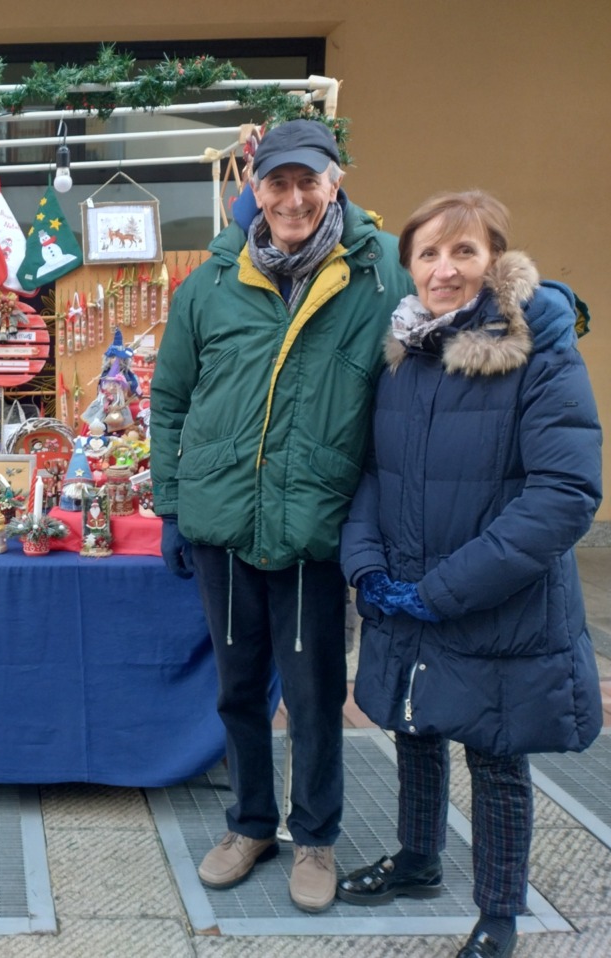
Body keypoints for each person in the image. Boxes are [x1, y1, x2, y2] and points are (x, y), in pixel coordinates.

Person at [150, 118, 412, 913]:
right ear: (253, 189)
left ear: (336, 183)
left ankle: (318, 838)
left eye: (309, 180)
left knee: (313, 691)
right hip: (224, 524)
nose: (293, 197)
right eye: (278, 181)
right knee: (237, 689)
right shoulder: (211, 283)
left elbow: (451, 316)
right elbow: (169, 400)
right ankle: (251, 823)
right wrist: (172, 504)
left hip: (314, 529)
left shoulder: (382, 273)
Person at [336, 191, 601, 958]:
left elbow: (564, 494)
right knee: (416, 726)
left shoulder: (538, 350)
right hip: (409, 590)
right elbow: (376, 475)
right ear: (408, 267)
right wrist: (367, 566)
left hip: (496, 602)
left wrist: (446, 590)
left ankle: (499, 911)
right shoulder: (406, 356)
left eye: (463, 252)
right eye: (427, 254)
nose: (443, 270)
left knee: (494, 751)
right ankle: (419, 859)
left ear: (495, 262)